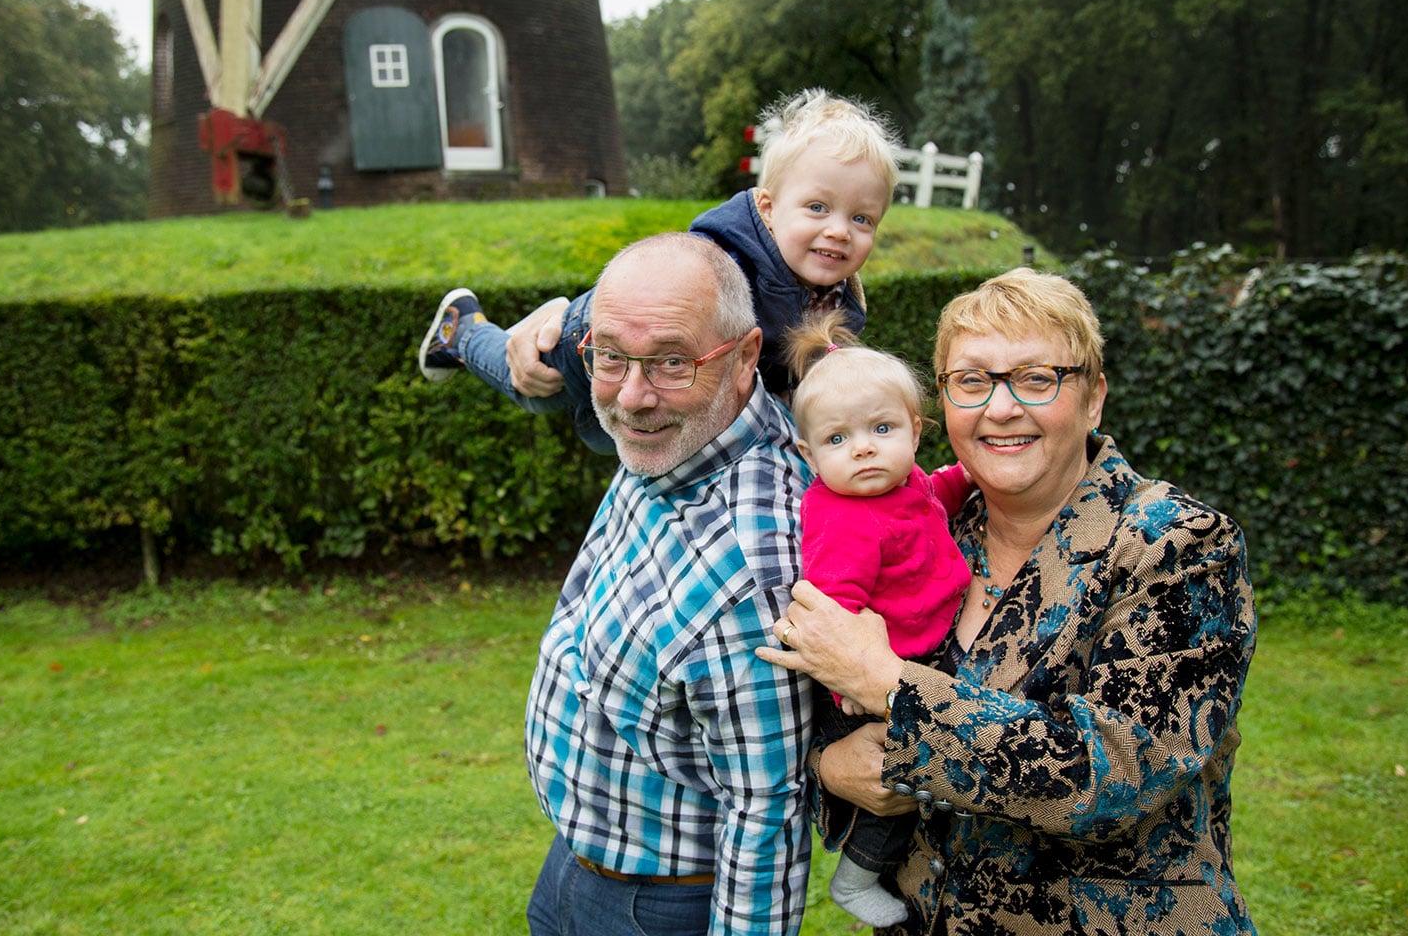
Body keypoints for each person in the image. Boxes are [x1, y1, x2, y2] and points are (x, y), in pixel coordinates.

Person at [757, 268, 1259, 935]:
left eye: (1037, 377)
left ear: (1094, 399)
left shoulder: (1176, 544)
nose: (1000, 408)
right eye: (972, 381)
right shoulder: (934, 531)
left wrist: (887, 686)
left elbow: (1111, 774)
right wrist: (830, 766)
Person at [523, 232, 817, 936]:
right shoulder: (681, 437)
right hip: (575, 863)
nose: (631, 397)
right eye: (610, 357)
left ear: (747, 356)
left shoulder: (753, 569)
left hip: (653, 908)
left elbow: (766, 811)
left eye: (670, 363)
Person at [418, 88, 901, 454]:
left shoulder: (840, 305)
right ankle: (461, 331)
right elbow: (652, 295)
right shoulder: (721, 260)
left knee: (616, 435)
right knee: (533, 388)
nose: (839, 231)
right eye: (817, 207)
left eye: (861, 219)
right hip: (596, 342)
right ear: (769, 208)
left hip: (660, 395)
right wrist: (562, 313)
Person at [782, 313, 972, 927]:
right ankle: (858, 876)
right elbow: (834, 610)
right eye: (837, 440)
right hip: (877, 677)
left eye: (881, 428)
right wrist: (855, 688)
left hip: (918, 652)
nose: (862, 447)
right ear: (809, 455)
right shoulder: (843, 518)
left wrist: (965, 477)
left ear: (915, 432)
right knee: (900, 786)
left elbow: (930, 497)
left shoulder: (903, 483)